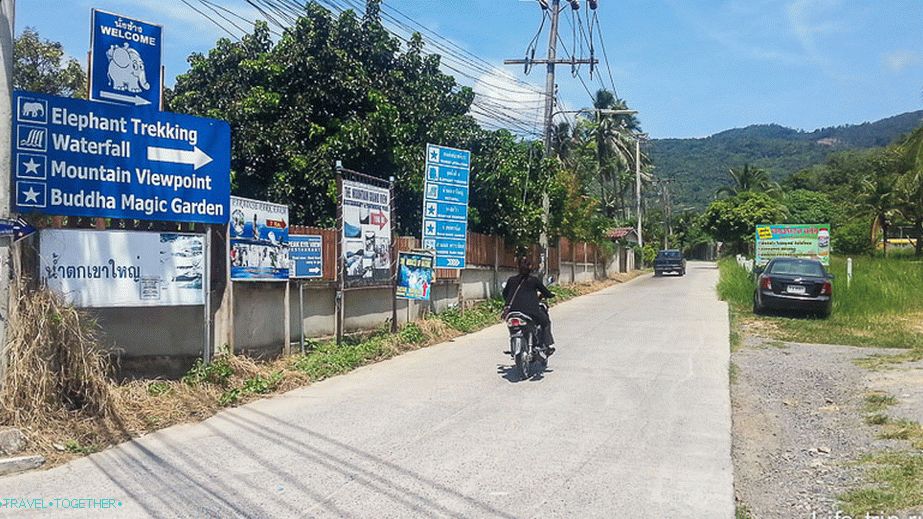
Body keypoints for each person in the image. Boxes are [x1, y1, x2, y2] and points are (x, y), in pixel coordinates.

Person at [503, 257, 555, 354]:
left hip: (513, 312)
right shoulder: (533, 280)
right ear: (530, 267)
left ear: (518, 267)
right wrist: (551, 295)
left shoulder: (511, 280)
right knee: (545, 322)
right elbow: (546, 293)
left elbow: (505, 294)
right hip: (531, 311)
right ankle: (547, 345)